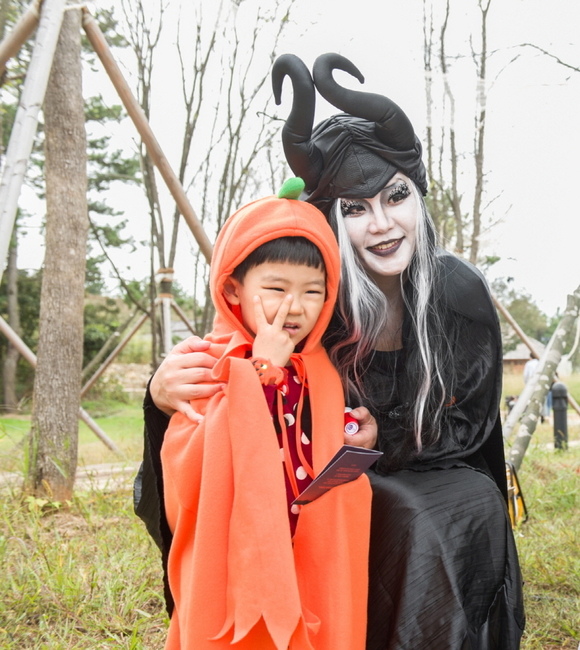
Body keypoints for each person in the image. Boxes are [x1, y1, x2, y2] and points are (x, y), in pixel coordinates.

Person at [135, 53, 525, 648]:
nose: (383, 224)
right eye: (355, 209)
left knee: (444, 506)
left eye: (395, 197)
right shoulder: (317, 298)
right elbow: (243, 375)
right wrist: (160, 396)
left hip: (439, 469)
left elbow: (471, 428)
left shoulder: (458, 291)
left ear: (417, 195)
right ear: (332, 220)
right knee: (378, 511)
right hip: (319, 483)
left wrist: (380, 440)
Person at [156, 183, 376, 650]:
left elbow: (320, 437)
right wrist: (261, 371)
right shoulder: (205, 360)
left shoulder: (320, 365)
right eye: (275, 289)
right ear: (233, 289)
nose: (294, 307)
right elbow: (191, 457)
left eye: (313, 291)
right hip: (240, 548)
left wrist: (352, 436)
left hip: (310, 544)